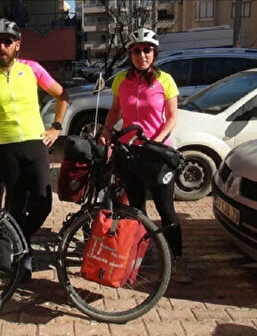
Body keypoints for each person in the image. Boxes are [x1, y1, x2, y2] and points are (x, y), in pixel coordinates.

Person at [0, 18, 68, 282]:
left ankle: (16, 243)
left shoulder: (32, 69)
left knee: (43, 203)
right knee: (14, 207)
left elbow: (62, 96)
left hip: (35, 146)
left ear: (17, 45)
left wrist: (56, 127)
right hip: (7, 150)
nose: (2, 46)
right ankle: (21, 259)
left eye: (7, 41)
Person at [98, 27, 191, 283]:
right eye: (137, 50)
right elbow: (115, 111)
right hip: (130, 152)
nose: (142, 55)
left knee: (166, 209)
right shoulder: (120, 80)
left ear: (154, 52)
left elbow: (172, 117)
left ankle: (177, 259)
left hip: (158, 154)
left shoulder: (165, 80)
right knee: (136, 208)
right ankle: (144, 253)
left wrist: (155, 141)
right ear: (131, 54)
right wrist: (106, 131)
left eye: (147, 50)